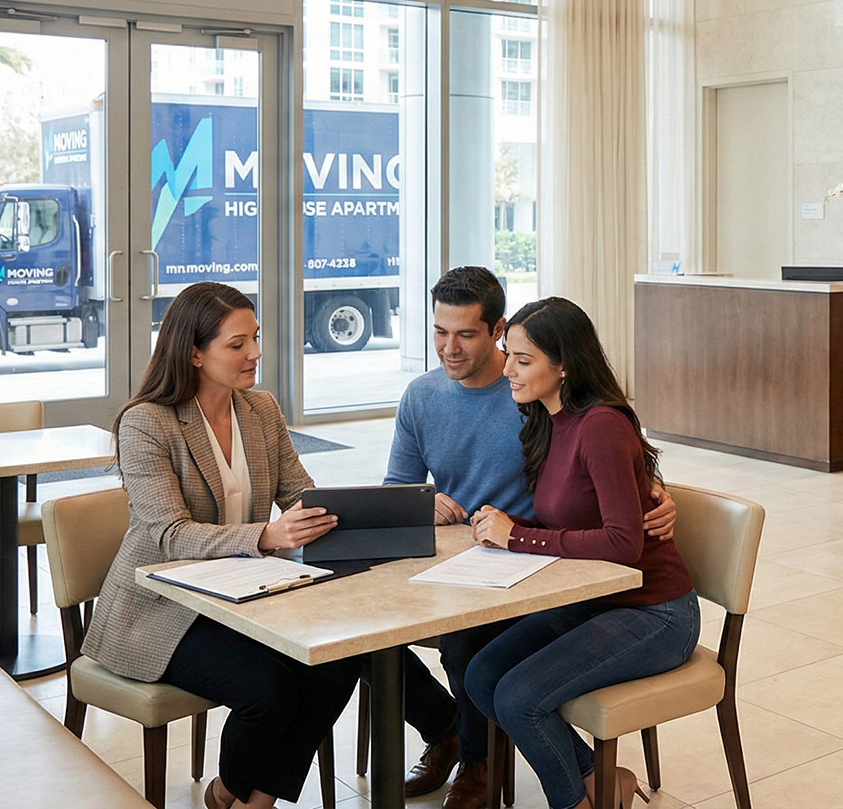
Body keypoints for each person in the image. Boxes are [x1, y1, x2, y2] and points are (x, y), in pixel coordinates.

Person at [382, 267, 676, 809]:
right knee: (442, 659)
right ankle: (595, 781)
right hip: (554, 577)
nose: (449, 348)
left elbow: (619, 522)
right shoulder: (543, 414)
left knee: (500, 679)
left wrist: (649, 490)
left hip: (619, 596)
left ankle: (520, 777)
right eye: (438, 332)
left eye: (467, 334)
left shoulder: (569, 414)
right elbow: (592, 488)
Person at [82, 282, 361, 809]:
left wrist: (353, 515)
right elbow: (168, 533)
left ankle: (252, 802)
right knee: (269, 688)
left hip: (243, 595)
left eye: (255, 338)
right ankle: (224, 793)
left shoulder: (259, 410)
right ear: (193, 352)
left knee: (336, 661)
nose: (255, 353)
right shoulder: (145, 423)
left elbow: (299, 494)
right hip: (159, 611)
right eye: (237, 344)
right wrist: (264, 536)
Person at [464, 297, 698, 809]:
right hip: (594, 600)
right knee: (480, 675)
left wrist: (517, 538)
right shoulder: (549, 420)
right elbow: (571, 521)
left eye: (523, 360)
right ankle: (599, 782)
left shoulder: (601, 426)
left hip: (653, 613)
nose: (507, 369)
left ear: (564, 363)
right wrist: (506, 526)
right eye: (510, 355)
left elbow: (622, 543)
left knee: (520, 698)